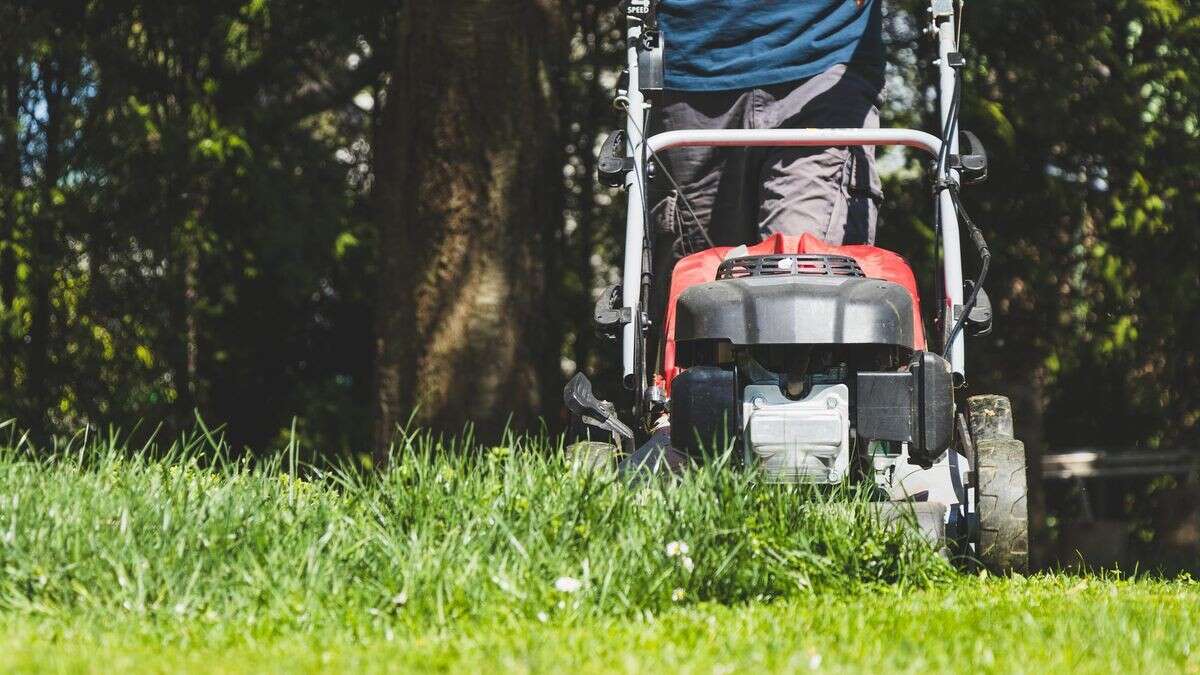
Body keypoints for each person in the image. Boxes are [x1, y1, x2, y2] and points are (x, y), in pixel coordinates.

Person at [624, 0, 886, 473]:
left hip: (822, 58)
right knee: (700, 287)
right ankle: (683, 436)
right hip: (693, 66)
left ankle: (820, 458)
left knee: (803, 272)